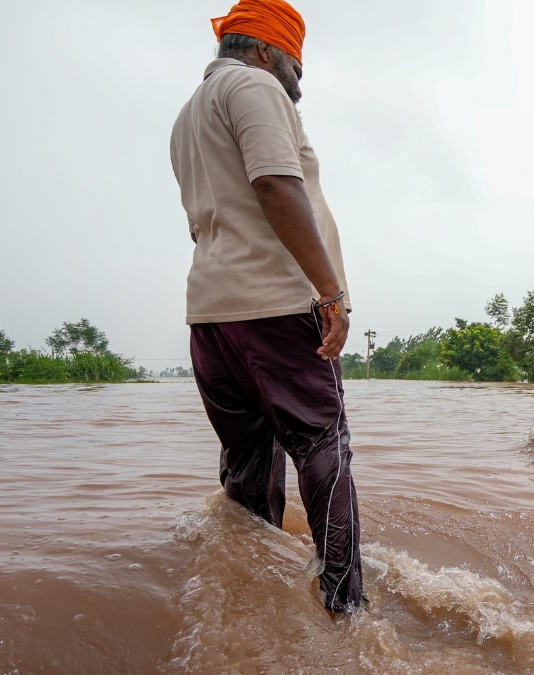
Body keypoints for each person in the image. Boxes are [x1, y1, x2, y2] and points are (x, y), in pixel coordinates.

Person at [170, 0, 364, 613]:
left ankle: (250, 595)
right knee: (323, 443)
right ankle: (346, 609)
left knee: (249, 461)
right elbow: (276, 185)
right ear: (263, 50)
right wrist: (331, 294)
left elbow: (204, 221)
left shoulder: (187, 115)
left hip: (211, 314)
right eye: (296, 71)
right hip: (278, 305)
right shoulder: (254, 86)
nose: (298, 88)